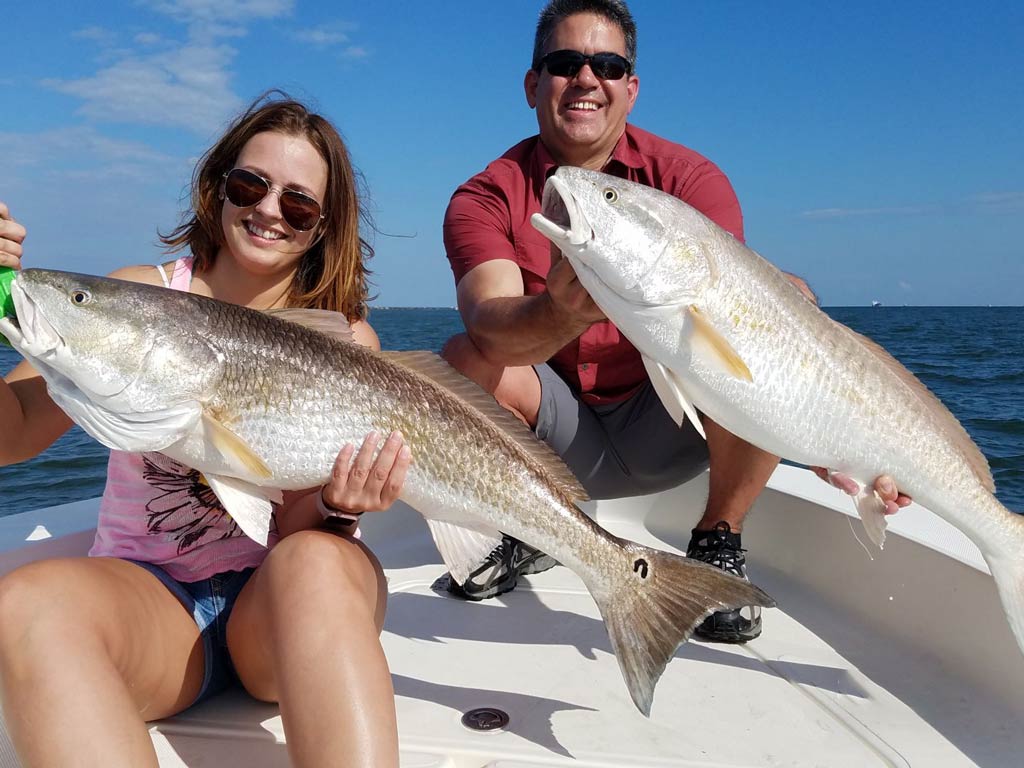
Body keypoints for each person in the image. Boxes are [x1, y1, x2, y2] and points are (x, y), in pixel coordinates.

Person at [439, 0, 910, 642]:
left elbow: (745, 317)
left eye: (607, 65)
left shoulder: (688, 179)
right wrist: (562, 310)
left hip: (671, 425)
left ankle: (719, 536)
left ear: (630, 88)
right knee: (463, 360)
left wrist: (831, 446)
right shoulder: (486, 195)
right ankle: (534, 524)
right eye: (564, 62)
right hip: (554, 434)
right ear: (532, 84)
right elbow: (489, 326)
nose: (585, 79)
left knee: (768, 320)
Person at [0, 94, 409, 767]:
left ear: (324, 226)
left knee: (315, 562)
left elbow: (304, 540)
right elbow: (11, 434)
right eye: (250, 184)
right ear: (218, 186)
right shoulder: (137, 295)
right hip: (151, 610)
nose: (269, 209)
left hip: (277, 622)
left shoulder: (347, 346)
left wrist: (340, 506)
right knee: (24, 602)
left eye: (299, 203)